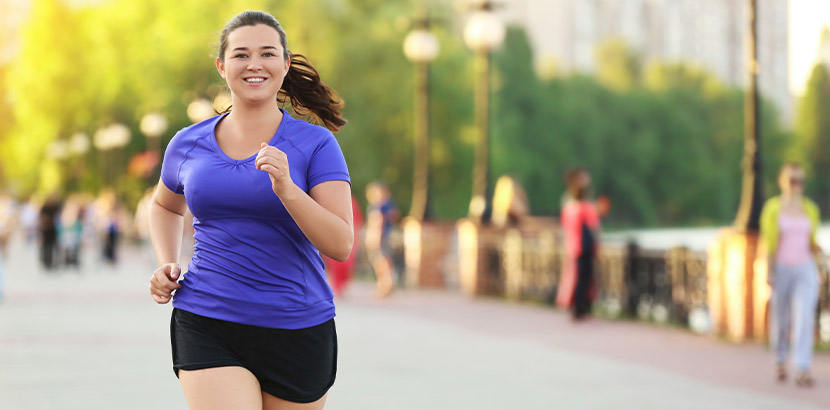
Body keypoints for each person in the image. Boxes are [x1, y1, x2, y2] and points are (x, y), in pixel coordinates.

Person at [149, 10, 351, 410]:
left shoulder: (316, 144)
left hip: (297, 326)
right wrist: (166, 262)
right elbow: (164, 206)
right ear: (222, 66)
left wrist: (289, 190)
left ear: (285, 64)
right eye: (241, 55)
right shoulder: (187, 143)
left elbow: (341, 244)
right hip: (207, 317)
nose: (254, 64)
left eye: (267, 54)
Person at [760, 162, 822, 388]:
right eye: (792, 180)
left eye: (800, 181)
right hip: (782, 268)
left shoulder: (810, 209)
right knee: (782, 319)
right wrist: (768, 270)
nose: (797, 186)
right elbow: (769, 244)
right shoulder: (772, 209)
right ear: (782, 181)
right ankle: (779, 360)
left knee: (804, 317)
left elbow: (810, 240)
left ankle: (802, 367)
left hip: (805, 269)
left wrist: (818, 250)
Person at [556, 167, 601, 320]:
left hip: (573, 246)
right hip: (584, 247)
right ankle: (581, 306)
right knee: (584, 277)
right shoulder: (585, 208)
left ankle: (576, 305)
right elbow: (594, 228)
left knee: (576, 277)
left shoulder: (568, 207)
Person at [324, 195, 363, 298]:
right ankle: (337, 286)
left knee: (347, 262)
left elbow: (358, 221)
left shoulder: (352, 201)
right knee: (335, 262)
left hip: (350, 234)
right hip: (333, 234)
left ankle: (343, 286)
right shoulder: (328, 198)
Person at [365, 181, 399, 298]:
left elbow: (378, 223)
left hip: (381, 236)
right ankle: (385, 283)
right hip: (382, 235)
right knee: (381, 260)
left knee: (381, 260)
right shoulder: (380, 205)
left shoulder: (381, 206)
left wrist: (375, 237)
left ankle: (386, 283)